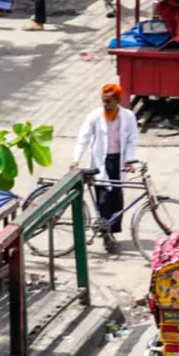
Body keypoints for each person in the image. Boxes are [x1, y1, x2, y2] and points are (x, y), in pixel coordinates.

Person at [72, 84, 138, 253]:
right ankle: (105, 233)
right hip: (101, 161)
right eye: (103, 101)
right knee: (104, 198)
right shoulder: (95, 116)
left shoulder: (128, 117)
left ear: (117, 100)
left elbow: (132, 140)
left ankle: (111, 232)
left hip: (119, 160)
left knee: (117, 197)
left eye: (108, 101)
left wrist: (129, 160)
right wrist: (76, 158)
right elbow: (84, 137)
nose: (105, 105)